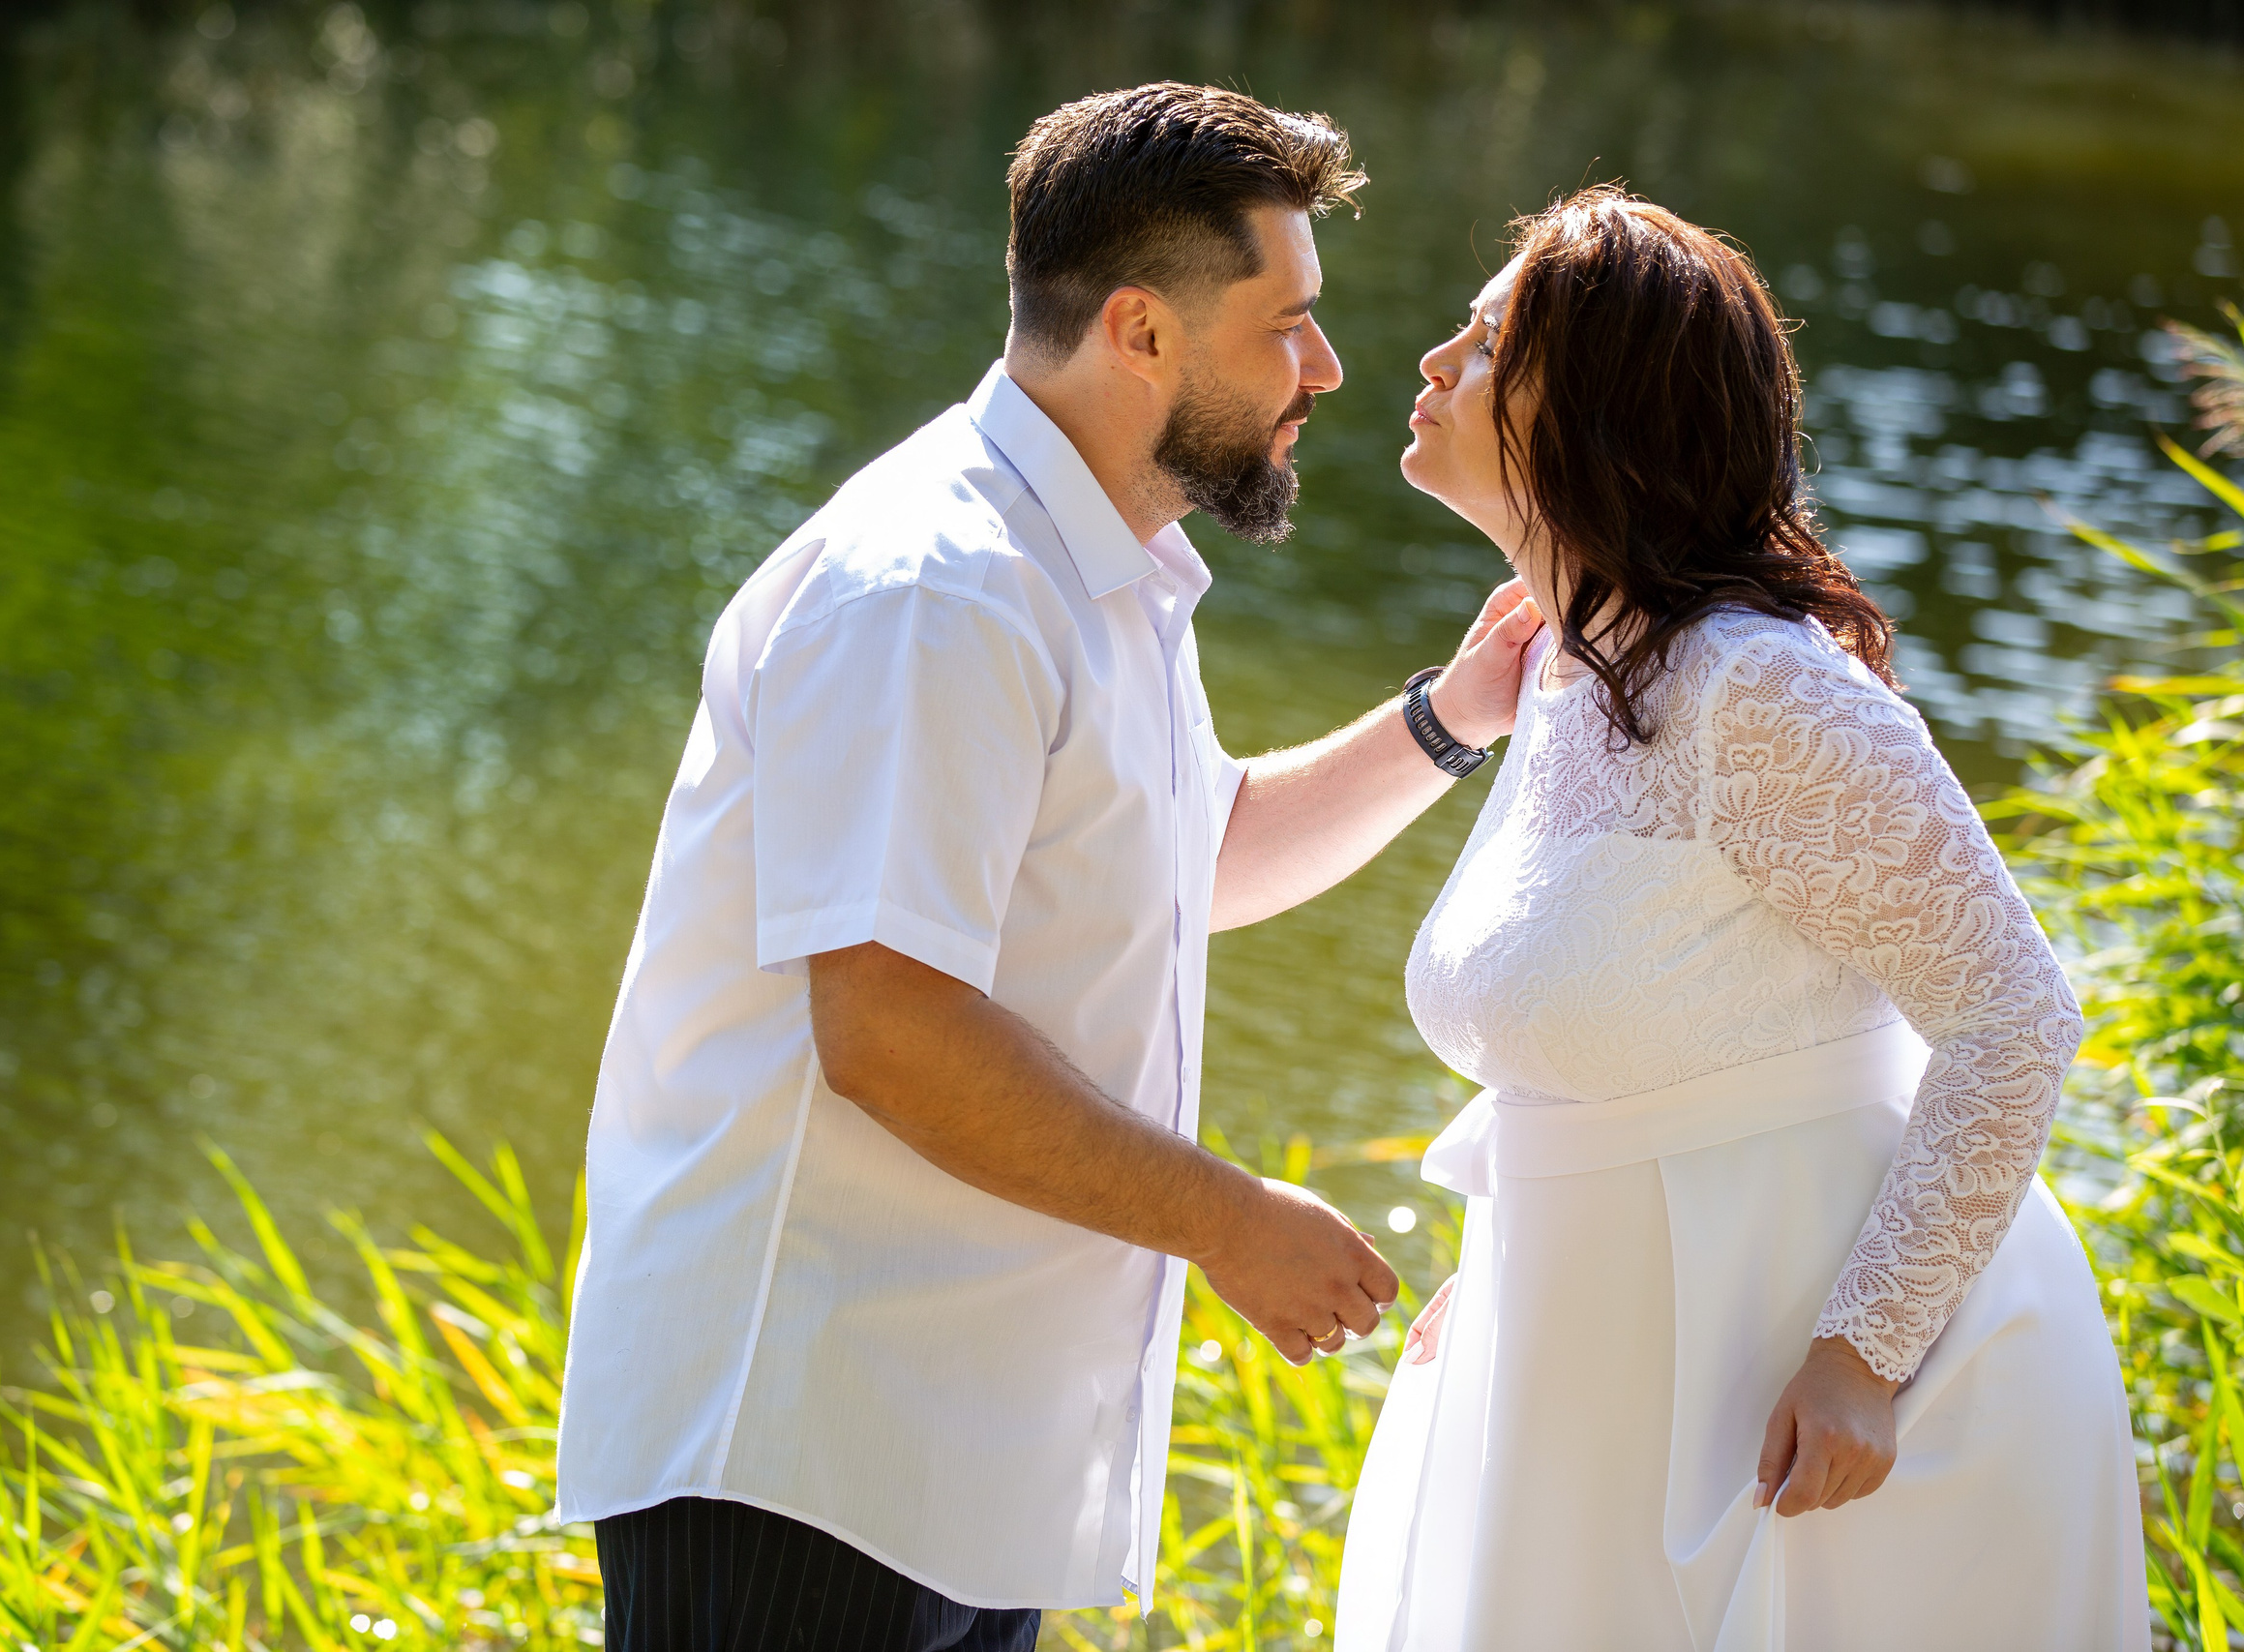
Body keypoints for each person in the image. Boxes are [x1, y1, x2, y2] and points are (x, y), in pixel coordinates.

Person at [554, 84, 1542, 1652]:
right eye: (1286, 324)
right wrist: (1229, 1220)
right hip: (804, 1448)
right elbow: (888, 1028)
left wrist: (1452, 716)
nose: (1327, 369)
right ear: (1141, 331)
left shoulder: (1102, 567)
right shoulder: (937, 592)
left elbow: (1189, 862)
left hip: (956, 1459)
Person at [1333, 187, 2147, 1651]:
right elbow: (1641, 1020)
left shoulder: (1761, 689)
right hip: (1591, 1352)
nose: (1436, 362)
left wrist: (1864, 1356)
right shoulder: (1570, 668)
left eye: (1490, 341)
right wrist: (1516, 1246)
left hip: (1795, 1395)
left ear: (1601, 408)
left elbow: (2015, 1014)